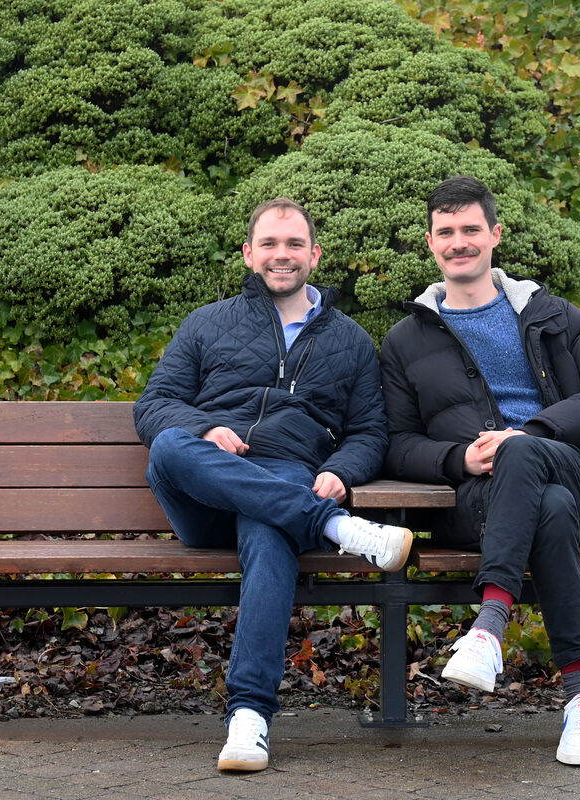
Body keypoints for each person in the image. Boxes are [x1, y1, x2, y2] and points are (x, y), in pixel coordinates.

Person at [378, 176, 580, 766]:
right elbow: (395, 443)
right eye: (446, 232)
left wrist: (529, 434)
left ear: (495, 235)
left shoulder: (552, 315)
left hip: (578, 474)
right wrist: (458, 458)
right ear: (430, 243)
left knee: (528, 458)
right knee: (548, 511)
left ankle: (487, 627)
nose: (459, 242)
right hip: (475, 501)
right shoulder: (406, 340)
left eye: (471, 230)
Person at [133, 198, 413, 774]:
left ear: (314, 254)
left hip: (285, 474)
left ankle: (249, 718)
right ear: (248, 253)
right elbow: (155, 406)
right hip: (201, 490)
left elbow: (368, 431)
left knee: (268, 527)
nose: (280, 256)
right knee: (168, 445)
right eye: (269, 244)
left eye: (293, 245)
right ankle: (334, 528)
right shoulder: (207, 323)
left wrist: (343, 471)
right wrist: (206, 428)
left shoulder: (352, 341)